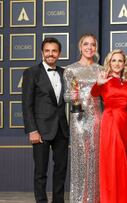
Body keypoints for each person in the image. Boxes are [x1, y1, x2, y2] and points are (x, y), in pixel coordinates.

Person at [90, 49, 127, 202]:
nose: (117, 64)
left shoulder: (126, 84)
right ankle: (114, 198)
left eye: (120, 61)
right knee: (113, 160)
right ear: (109, 63)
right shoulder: (105, 79)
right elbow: (94, 93)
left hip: (124, 123)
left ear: (124, 64)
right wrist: (98, 83)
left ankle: (121, 195)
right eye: (114, 61)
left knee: (120, 159)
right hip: (110, 122)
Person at [22, 37, 69, 203]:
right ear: (42, 52)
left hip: (62, 129)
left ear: (59, 53)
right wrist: (32, 130)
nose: (51, 54)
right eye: (47, 51)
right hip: (40, 130)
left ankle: (58, 201)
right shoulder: (31, 72)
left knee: (61, 170)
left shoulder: (65, 73)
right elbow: (26, 104)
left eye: (54, 51)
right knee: (40, 172)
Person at [63, 33, 103, 203]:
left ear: (95, 48)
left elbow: (107, 95)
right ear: (80, 47)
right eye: (86, 44)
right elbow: (65, 96)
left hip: (97, 118)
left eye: (92, 45)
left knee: (96, 157)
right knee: (80, 158)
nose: (89, 47)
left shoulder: (101, 69)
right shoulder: (70, 69)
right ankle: (79, 199)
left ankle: (95, 198)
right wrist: (72, 95)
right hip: (78, 117)